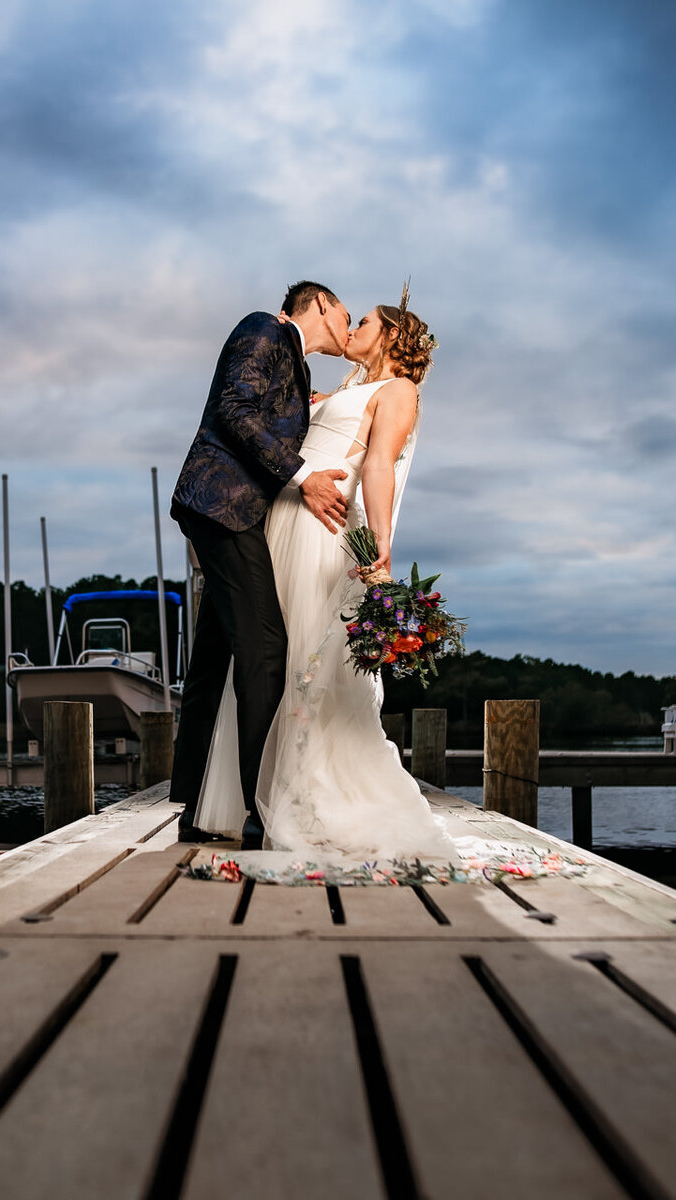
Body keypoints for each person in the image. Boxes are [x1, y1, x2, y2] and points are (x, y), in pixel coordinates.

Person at [193, 286, 462, 858]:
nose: (353, 325)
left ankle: (306, 795)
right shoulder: (345, 386)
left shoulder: (399, 389)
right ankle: (255, 796)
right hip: (284, 521)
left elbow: (380, 464)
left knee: (300, 660)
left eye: (364, 319)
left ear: (390, 335)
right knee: (266, 654)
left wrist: (381, 544)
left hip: (322, 530)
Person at [168, 281, 356, 849]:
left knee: (216, 652)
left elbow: (273, 413)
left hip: (231, 512)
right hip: (221, 505)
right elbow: (234, 408)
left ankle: (197, 806)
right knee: (266, 647)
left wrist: (319, 407)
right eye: (348, 312)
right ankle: (260, 808)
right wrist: (303, 477)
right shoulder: (265, 327)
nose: (350, 324)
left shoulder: (295, 367)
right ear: (320, 303)